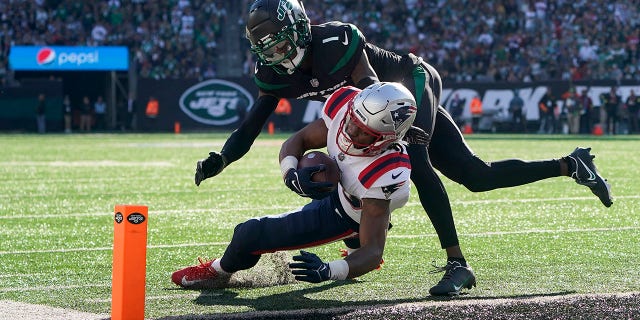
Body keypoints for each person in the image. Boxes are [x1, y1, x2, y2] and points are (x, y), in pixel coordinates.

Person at [193, 0, 612, 296]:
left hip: (406, 89)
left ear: (298, 29)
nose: (277, 56)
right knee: (476, 175)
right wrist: (223, 158)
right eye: (268, 50)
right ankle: (569, 165)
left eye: (281, 45)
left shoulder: (336, 42)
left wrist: (365, 152)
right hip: (371, 109)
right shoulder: (273, 71)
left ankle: (457, 264)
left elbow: (374, 93)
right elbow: (253, 123)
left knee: (415, 159)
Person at [172, 82, 436, 290]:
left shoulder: (383, 173)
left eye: (362, 131)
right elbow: (297, 141)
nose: (350, 132)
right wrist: (290, 174)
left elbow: (374, 252)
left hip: (350, 211)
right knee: (330, 176)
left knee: (248, 234)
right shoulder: (345, 107)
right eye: (352, 120)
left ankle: (217, 272)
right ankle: (353, 240)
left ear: (387, 139)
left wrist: (329, 270)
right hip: (344, 189)